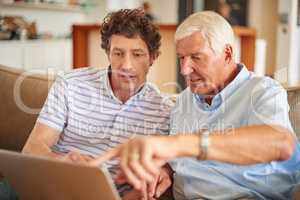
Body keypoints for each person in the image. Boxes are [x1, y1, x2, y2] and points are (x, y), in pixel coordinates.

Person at [92, 11, 300, 199]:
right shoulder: (184, 101)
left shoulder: (262, 91)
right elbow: (177, 164)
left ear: (227, 54)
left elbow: (281, 143)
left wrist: (183, 144)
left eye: (196, 58)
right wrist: (165, 171)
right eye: (181, 58)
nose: (184, 70)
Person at [21, 8, 173, 199]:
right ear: (108, 53)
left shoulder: (164, 111)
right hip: (55, 187)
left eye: (137, 54)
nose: (126, 65)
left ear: (152, 58)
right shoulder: (71, 84)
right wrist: (62, 161)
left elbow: (158, 175)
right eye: (118, 53)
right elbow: (32, 148)